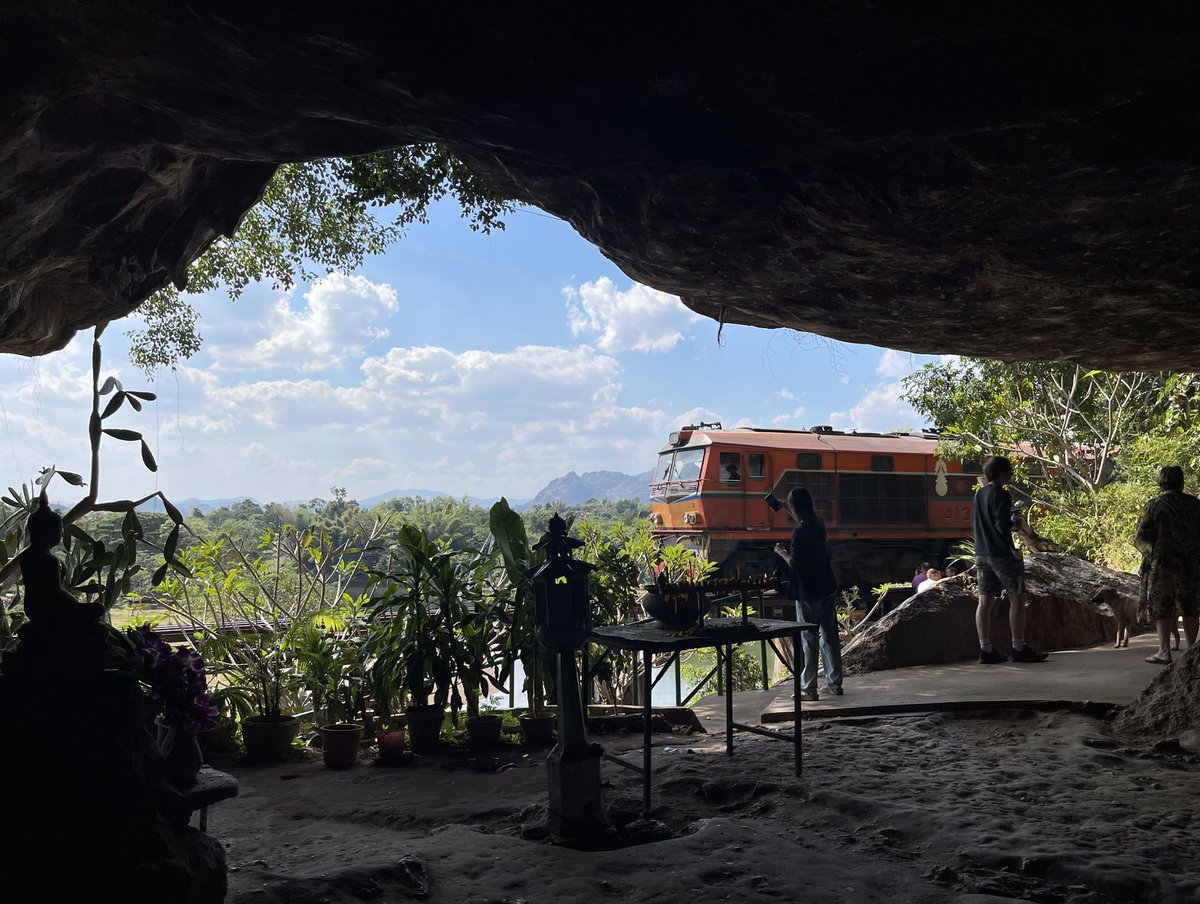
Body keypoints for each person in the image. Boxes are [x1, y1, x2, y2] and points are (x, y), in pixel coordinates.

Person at [972, 455, 1048, 664]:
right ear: (1002, 474)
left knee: (985, 600)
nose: (1012, 474)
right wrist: (1014, 522)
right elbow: (1002, 526)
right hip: (1001, 554)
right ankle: (1018, 647)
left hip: (981, 553)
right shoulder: (1002, 495)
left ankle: (985, 649)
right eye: (1009, 471)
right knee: (1017, 598)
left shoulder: (979, 495)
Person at [774, 487, 842, 700]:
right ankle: (834, 683)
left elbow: (796, 565)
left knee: (808, 639)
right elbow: (805, 519)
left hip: (807, 592)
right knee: (830, 637)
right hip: (827, 587)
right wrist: (788, 506)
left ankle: (809, 689)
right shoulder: (819, 525)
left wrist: (781, 552)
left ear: (795, 508)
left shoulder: (798, 534)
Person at [1133, 465, 1200, 664]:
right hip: (1191, 563)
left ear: (1161, 482)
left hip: (1162, 564)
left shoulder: (1153, 505)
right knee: (1190, 605)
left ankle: (1164, 651)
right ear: (1181, 482)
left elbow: (1142, 536)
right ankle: (1191, 651)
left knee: (1162, 604)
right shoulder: (1196, 505)